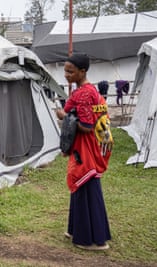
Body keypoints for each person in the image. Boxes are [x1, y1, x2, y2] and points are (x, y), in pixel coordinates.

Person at [55, 53, 112, 251]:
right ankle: (76, 229)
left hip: (85, 148)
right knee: (81, 188)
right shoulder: (89, 90)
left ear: (82, 71)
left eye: (70, 71)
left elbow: (87, 126)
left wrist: (63, 115)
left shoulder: (84, 93)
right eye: (65, 70)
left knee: (85, 186)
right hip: (90, 147)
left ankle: (92, 239)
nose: (66, 75)